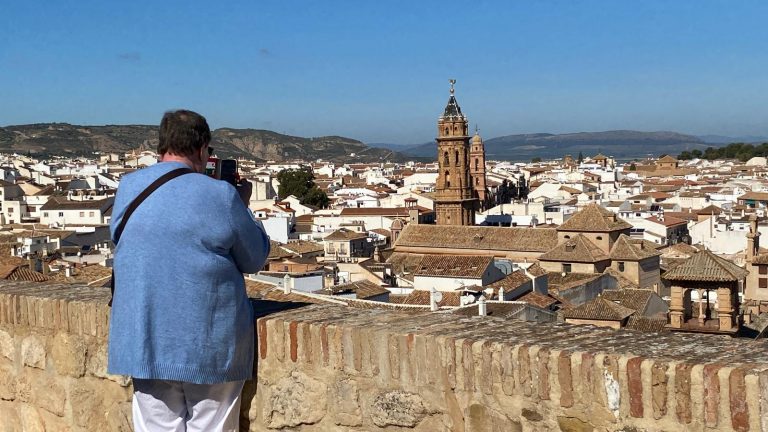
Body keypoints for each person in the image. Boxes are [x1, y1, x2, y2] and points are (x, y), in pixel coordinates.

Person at [108, 110, 269, 432]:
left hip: (143, 335)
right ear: (202, 148)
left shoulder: (129, 187)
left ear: (162, 146)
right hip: (207, 341)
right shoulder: (221, 195)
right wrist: (243, 205)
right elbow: (255, 258)